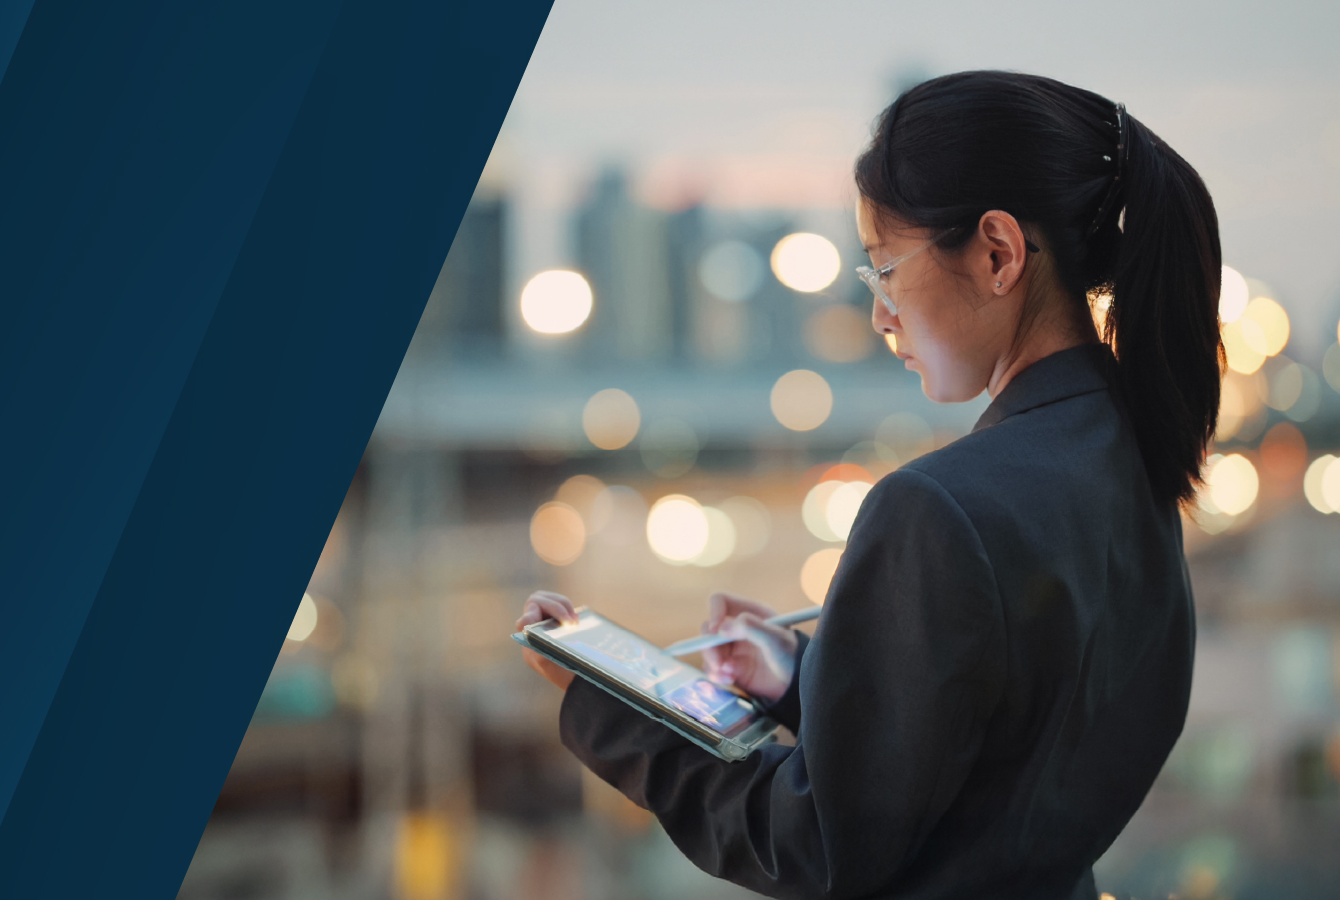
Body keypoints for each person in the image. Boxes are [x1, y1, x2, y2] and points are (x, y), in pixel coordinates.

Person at [514, 70, 1220, 900]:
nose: (881, 314)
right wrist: (807, 679)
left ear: (999, 254)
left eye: (886, 268)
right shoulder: (1136, 458)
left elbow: (814, 849)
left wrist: (614, 714)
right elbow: (1005, 756)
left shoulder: (935, 510)